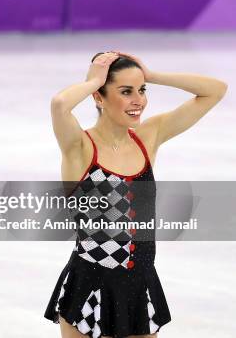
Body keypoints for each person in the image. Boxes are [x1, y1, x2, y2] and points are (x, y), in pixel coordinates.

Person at [44, 51, 227, 338]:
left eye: (142, 90)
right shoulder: (80, 147)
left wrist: (152, 75)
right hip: (92, 283)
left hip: (140, 282)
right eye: (126, 91)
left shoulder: (147, 138)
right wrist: (94, 80)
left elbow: (215, 91)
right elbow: (59, 104)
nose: (138, 100)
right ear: (99, 98)